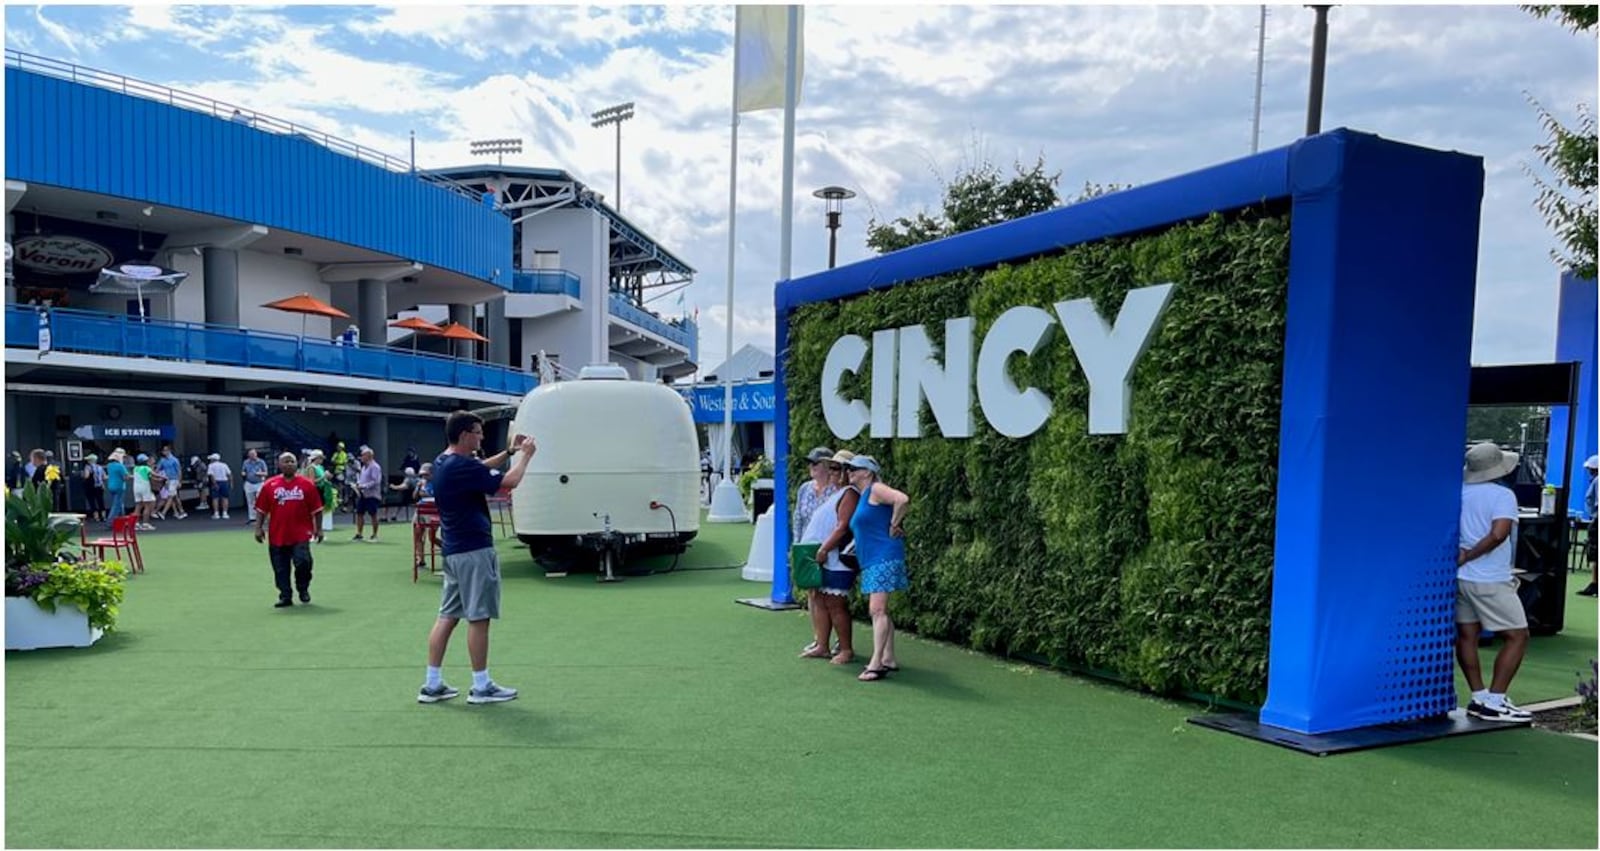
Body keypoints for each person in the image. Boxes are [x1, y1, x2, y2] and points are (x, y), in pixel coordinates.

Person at [417, 411, 535, 705]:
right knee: (479, 617)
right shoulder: (461, 465)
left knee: (447, 616)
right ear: (466, 434)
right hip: (474, 550)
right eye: (479, 432)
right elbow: (510, 481)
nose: (482, 437)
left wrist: (509, 451)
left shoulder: (445, 462)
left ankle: (432, 684)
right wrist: (526, 456)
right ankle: (481, 686)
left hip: (455, 551)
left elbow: (480, 468)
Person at [1455, 442, 1532, 722]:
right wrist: (1470, 556)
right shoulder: (1503, 495)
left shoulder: (1460, 492)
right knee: (1518, 636)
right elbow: (1499, 534)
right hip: (1490, 578)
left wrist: (1462, 558)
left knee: (1467, 636)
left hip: (1461, 579)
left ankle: (1479, 697)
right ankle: (1495, 700)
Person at [844, 455, 910, 682]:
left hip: (883, 557)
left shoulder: (876, 489)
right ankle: (888, 657)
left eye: (854, 468)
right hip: (873, 559)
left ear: (867, 472)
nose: (849, 471)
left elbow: (902, 499)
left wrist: (894, 524)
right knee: (880, 610)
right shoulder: (864, 496)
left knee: (877, 610)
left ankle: (876, 663)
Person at [803, 450, 863, 665]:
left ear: (849, 472)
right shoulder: (837, 492)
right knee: (820, 598)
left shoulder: (849, 493)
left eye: (838, 468)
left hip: (836, 557)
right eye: (832, 468)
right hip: (826, 556)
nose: (833, 472)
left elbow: (842, 527)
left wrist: (824, 549)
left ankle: (846, 649)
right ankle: (822, 645)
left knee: (835, 603)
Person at [254, 451, 325, 608]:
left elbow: (317, 510)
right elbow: (261, 510)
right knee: (280, 568)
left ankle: (303, 588)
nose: (289, 464)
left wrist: (318, 529)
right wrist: (258, 528)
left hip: (301, 533)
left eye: (292, 461)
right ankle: (285, 595)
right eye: (285, 461)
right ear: (279, 465)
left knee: (304, 563)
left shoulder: (307, 485)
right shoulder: (269, 485)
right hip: (277, 534)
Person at [792, 446, 840, 659]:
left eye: (815, 463)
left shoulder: (838, 489)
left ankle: (840, 641)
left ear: (827, 466)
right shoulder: (805, 489)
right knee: (813, 593)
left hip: (832, 548)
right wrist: (797, 547)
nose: (811, 467)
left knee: (833, 594)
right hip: (808, 547)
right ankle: (820, 640)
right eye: (810, 463)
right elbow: (798, 519)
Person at [1578, 455, 1598, 597]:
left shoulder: (1596, 481)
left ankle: (1595, 583)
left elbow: (1589, 499)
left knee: (1595, 553)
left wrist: (1592, 515)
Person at [353, 446, 383, 541]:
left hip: (372, 495)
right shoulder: (363, 467)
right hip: (363, 494)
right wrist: (358, 484)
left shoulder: (375, 467)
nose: (361, 457)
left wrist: (364, 486)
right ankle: (359, 533)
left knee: (373, 514)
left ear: (369, 456)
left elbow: (376, 481)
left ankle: (374, 534)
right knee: (359, 513)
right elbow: (362, 479)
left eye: (363, 455)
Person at [155, 446, 186, 520]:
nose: (164, 452)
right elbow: (158, 469)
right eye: (163, 451)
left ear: (169, 451)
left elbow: (179, 471)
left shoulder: (175, 460)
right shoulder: (162, 460)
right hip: (168, 480)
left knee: (170, 496)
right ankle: (182, 511)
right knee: (175, 497)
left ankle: (163, 513)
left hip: (174, 480)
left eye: (165, 450)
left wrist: (179, 481)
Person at [241, 449, 269, 525]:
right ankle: (252, 518)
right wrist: (243, 473)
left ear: (256, 454)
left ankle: (262, 517)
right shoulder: (246, 462)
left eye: (253, 454)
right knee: (250, 501)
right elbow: (243, 470)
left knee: (260, 500)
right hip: (249, 483)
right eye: (250, 454)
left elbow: (266, 473)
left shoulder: (261, 462)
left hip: (259, 483)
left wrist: (259, 473)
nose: (252, 456)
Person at [131, 453, 157, 531]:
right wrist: (163, 477)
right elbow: (154, 475)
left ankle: (136, 524)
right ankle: (145, 524)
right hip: (145, 487)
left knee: (138, 506)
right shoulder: (146, 468)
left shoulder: (135, 468)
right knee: (147, 506)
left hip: (136, 488)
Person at [104, 449, 129, 524]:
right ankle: (110, 522)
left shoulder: (109, 465)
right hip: (119, 487)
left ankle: (122, 520)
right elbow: (125, 477)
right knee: (116, 505)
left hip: (111, 486)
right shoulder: (120, 466)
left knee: (119, 504)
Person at [81, 453, 107, 522]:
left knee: (92, 502)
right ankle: (103, 517)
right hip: (100, 487)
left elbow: (86, 476)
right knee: (101, 502)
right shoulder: (100, 467)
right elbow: (104, 477)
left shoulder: (87, 467)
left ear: (89, 460)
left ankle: (97, 517)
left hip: (91, 487)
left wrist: (82, 475)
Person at [207, 453, 233, 519]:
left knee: (215, 498)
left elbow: (211, 475)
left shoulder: (211, 465)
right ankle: (225, 513)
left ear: (213, 459)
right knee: (225, 498)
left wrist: (215, 484)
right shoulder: (224, 465)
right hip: (224, 481)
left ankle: (216, 513)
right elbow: (229, 474)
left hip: (216, 481)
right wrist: (231, 483)